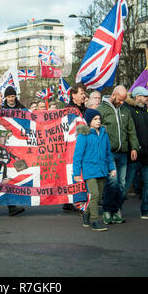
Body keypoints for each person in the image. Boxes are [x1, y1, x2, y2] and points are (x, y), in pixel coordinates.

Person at [97, 85, 139, 224]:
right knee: (112, 182)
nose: (122, 102)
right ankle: (107, 210)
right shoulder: (101, 109)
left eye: (124, 100)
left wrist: (134, 147)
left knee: (122, 184)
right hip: (109, 153)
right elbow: (95, 130)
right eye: (120, 100)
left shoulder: (126, 111)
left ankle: (116, 209)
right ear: (114, 95)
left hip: (123, 153)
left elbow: (131, 130)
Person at [73, 109, 116, 232]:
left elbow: (108, 153)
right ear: (89, 121)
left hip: (102, 169)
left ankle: (86, 214)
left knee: (98, 196)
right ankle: (95, 220)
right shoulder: (84, 135)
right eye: (95, 119)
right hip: (89, 170)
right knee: (95, 194)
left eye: (99, 119)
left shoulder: (104, 133)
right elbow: (78, 155)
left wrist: (112, 168)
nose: (98, 121)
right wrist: (77, 173)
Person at [0, 89, 24, 217]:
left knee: (6, 178)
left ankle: (11, 206)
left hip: (3, 148)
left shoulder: (3, 111)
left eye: (1, 96)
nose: (1, 98)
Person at [124, 86, 148, 220]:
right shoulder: (128, 110)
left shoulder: (147, 111)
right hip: (135, 154)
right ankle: (115, 209)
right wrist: (133, 148)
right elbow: (128, 132)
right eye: (145, 97)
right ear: (137, 96)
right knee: (126, 184)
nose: (147, 99)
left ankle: (147, 210)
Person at [62, 82, 87, 212]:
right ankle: (72, 200)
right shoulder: (67, 111)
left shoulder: (86, 110)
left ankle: (80, 200)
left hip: (84, 148)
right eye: (81, 93)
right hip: (71, 149)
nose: (84, 96)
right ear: (73, 95)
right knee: (72, 174)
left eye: (84, 93)